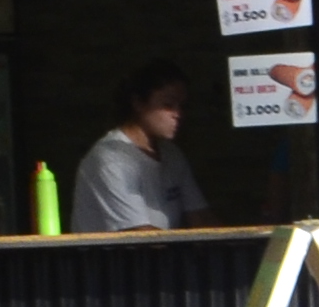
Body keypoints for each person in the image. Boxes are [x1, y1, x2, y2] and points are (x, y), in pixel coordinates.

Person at [68, 63, 214, 234]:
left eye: (182, 106)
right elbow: (140, 236)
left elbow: (201, 217)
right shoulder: (110, 160)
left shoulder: (171, 154)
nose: (178, 114)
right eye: (168, 105)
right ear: (138, 103)